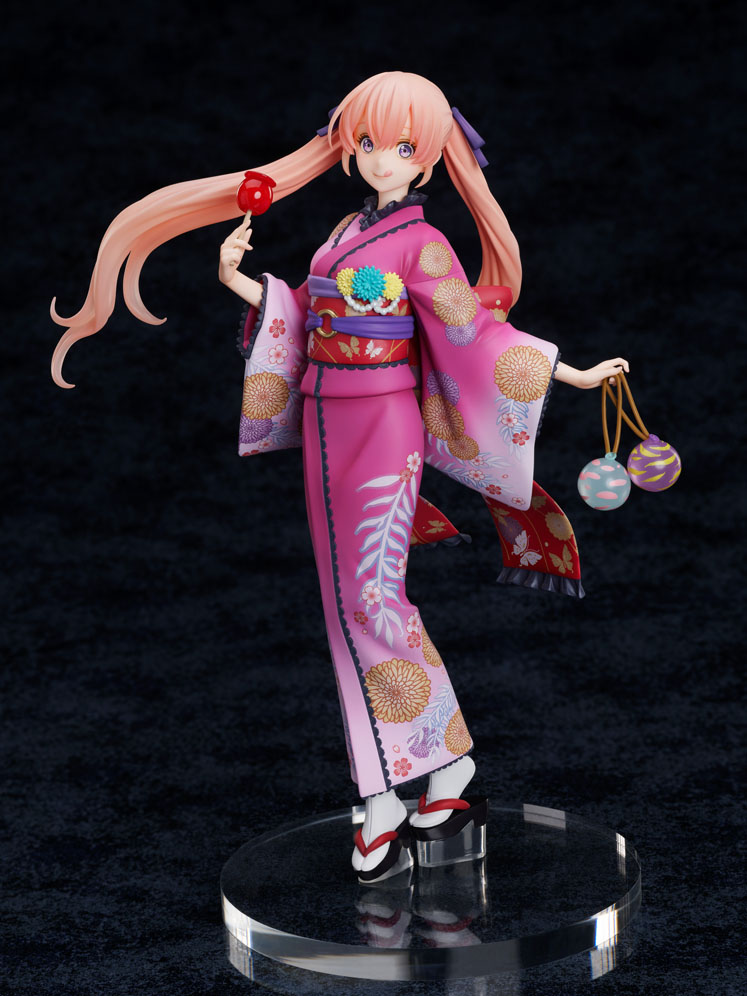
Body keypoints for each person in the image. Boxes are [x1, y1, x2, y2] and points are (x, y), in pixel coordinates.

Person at [51, 71, 628, 883]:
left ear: (429, 156)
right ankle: (436, 772)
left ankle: (393, 790)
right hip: (327, 419)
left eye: (402, 146)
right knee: (342, 603)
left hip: (383, 419)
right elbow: (303, 313)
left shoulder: (423, 243)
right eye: (367, 143)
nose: (382, 159)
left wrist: (567, 372)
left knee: (371, 599)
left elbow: (472, 332)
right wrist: (237, 280)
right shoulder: (344, 228)